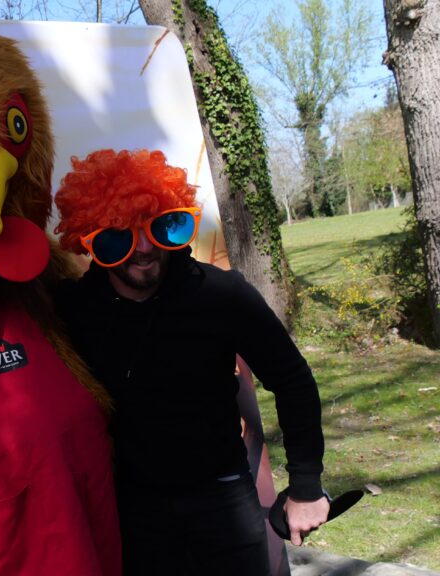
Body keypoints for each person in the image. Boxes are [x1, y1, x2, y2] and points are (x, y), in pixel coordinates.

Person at [53, 149, 329, 576]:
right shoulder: (73, 310)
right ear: (88, 239)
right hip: (132, 511)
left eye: (160, 228)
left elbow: (291, 378)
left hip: (223, 502)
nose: (144, 249)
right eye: (119, 237)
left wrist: (306, 485)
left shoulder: (220, 294)